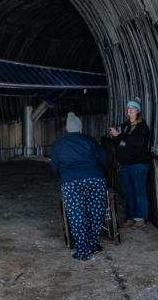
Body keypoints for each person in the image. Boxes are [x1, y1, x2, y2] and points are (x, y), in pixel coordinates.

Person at [51, 112, 108, 261]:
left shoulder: (60, 144)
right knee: (95, 212)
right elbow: (103, 159)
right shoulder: (90, 141)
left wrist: (63, 176)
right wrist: (102, 174)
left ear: (67, 129)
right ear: (80, 128)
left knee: (77, 216)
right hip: (95, 178)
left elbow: (55, 166)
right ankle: (94, 244)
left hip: (71, 181)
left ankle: (82, 252)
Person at [108, 98, 152, 229]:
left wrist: (120, 136)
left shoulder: (142, 127)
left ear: (138, 111)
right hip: (124, 165)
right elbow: (119, 143)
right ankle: (131, 217)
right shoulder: (124, 126)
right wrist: (115, 135)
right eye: (129, 108)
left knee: (139, 191)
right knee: (128, 192)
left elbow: (139, 142)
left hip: (138, 164)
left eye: (133, 109)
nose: (130, 110)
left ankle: (140, 218)